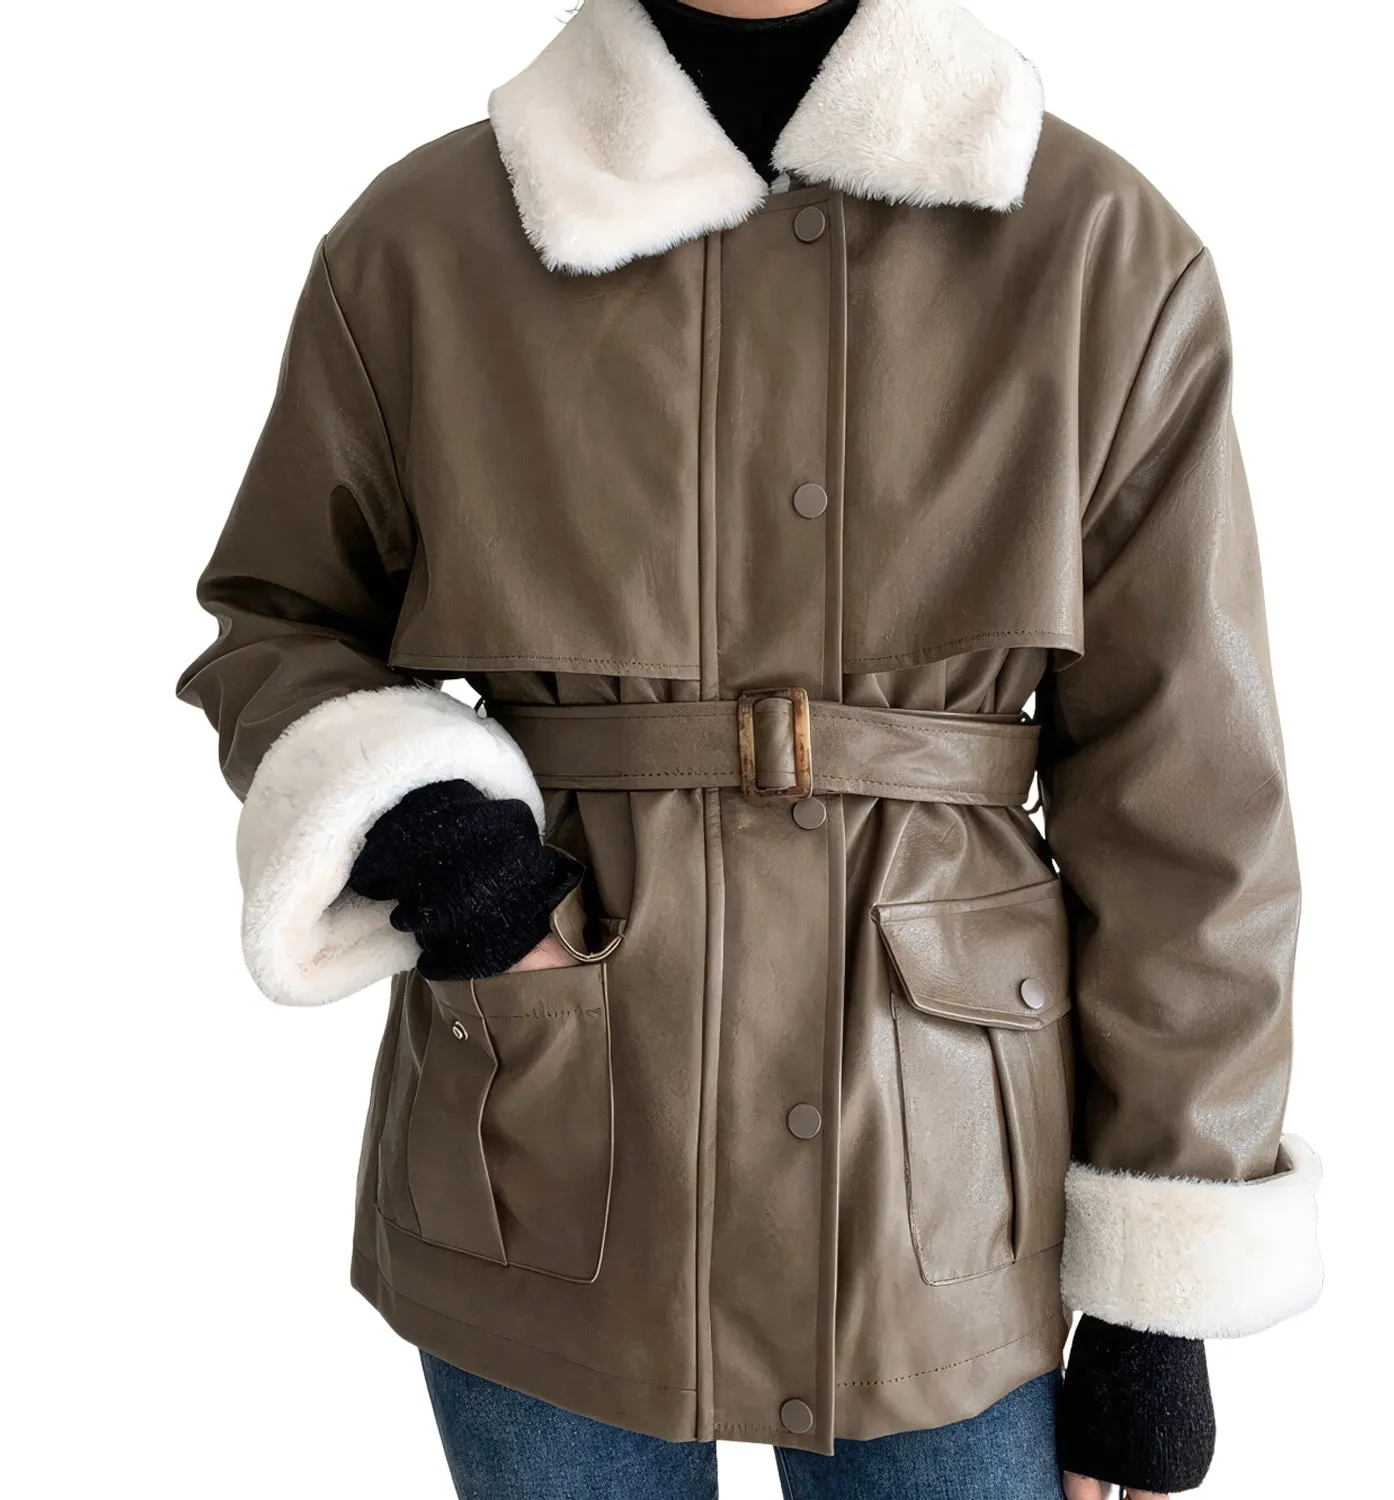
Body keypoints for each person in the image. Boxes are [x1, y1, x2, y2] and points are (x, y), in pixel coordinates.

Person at [175, 0, 1324, 1495]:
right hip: (554, 1125)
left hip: (948, 1186)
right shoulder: (430, 241)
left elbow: (1187, 790)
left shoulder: (1096, 248)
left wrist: (1160, 1293)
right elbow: (280, 621)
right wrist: (452, 865)